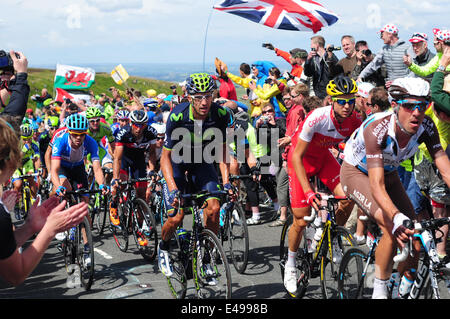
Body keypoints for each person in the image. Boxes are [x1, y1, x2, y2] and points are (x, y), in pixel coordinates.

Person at [340, 77, 450, 299]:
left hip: (388, 174)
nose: (417, 112)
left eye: (423, 105)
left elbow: (446, 169)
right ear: (395, 106)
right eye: (410, 106)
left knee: (416, 240)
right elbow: (376, 185)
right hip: (356, 173)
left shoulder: (426, 127)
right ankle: (378, 290)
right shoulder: (377, 129)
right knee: (392, 225)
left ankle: (402, 288)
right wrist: (395, 215)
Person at [284, 76, 362, 293]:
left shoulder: (354, 120)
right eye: (341, 101)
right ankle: (290, 264)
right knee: (301, 219)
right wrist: (309, 192)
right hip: (300, 161)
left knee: (348, 197)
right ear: (331, 101)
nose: (347, 106)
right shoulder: (317, 118)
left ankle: (333, 236)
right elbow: (297, 156)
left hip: (323, 160)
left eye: (351, 101)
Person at [157, 73, 233, 279]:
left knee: (214, 207)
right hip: (178, 163)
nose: (204, 102)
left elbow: (224, 151)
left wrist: (226, 182)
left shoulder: (221, 115)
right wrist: (172, 187)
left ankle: (206, 256)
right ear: (189, 97)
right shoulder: (177, 116)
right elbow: (164, 158)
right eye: (198, 97)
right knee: (177, 216)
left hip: (201, 161)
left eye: (208, 96)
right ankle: (163, 247)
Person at [0, 117, 89, 287]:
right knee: (21, 184)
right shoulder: (1, 214)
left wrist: (29, 227)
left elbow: (2, 247)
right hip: (60, 169)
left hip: (74, 169)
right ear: (11, 163)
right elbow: (16, 274)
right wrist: (49, 229)